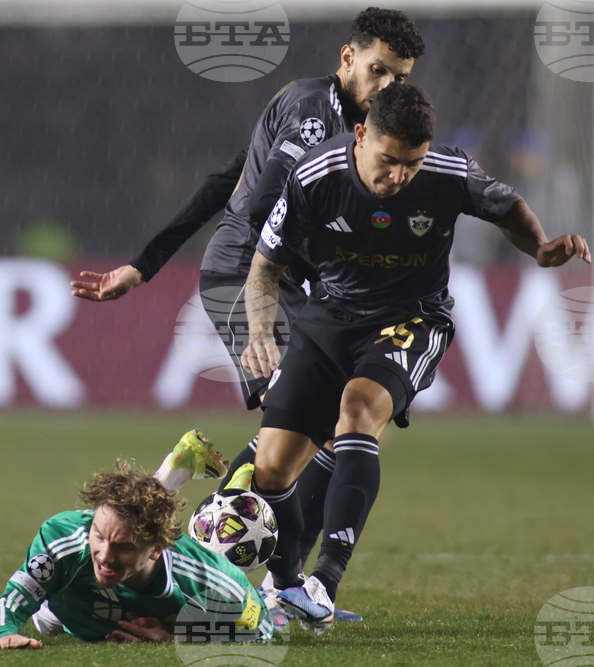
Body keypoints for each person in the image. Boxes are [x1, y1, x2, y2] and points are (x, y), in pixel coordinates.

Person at [71, 8, 427, 596]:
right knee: (301, 427)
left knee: (339, 427)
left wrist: (144, 263)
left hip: (274, 275)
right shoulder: (316, 119)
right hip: (248, 275)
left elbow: (225, 179)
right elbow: (263, 207)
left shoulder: (336, 118)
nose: (387, 87)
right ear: (348, 58)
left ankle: (279, 584)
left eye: (400, 78)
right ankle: (161, 569)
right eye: (378, 70)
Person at [240, 82, 592, 631]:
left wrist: (542, 247)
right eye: (388, 161)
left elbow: (507, 206)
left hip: (412, 316)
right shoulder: (314, 174)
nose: (399, 176)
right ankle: (287, 588)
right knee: (271, 468)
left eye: (411, 163)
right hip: (329, 315)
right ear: (360, 135)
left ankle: (325, 581)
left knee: (357, 411)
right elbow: (265, 265)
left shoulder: (449, 172)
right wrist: (261, 332)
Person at [0, 453, 273, 648]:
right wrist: (0, 636)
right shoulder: (62, 540)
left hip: (102, 606)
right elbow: (6, 606)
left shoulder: (211, 579)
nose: (104, 555)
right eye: (99, 535)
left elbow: (262, 627)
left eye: (123, 547)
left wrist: (180, 635)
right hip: (63, 606)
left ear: (156, 549)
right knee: (45, 619)